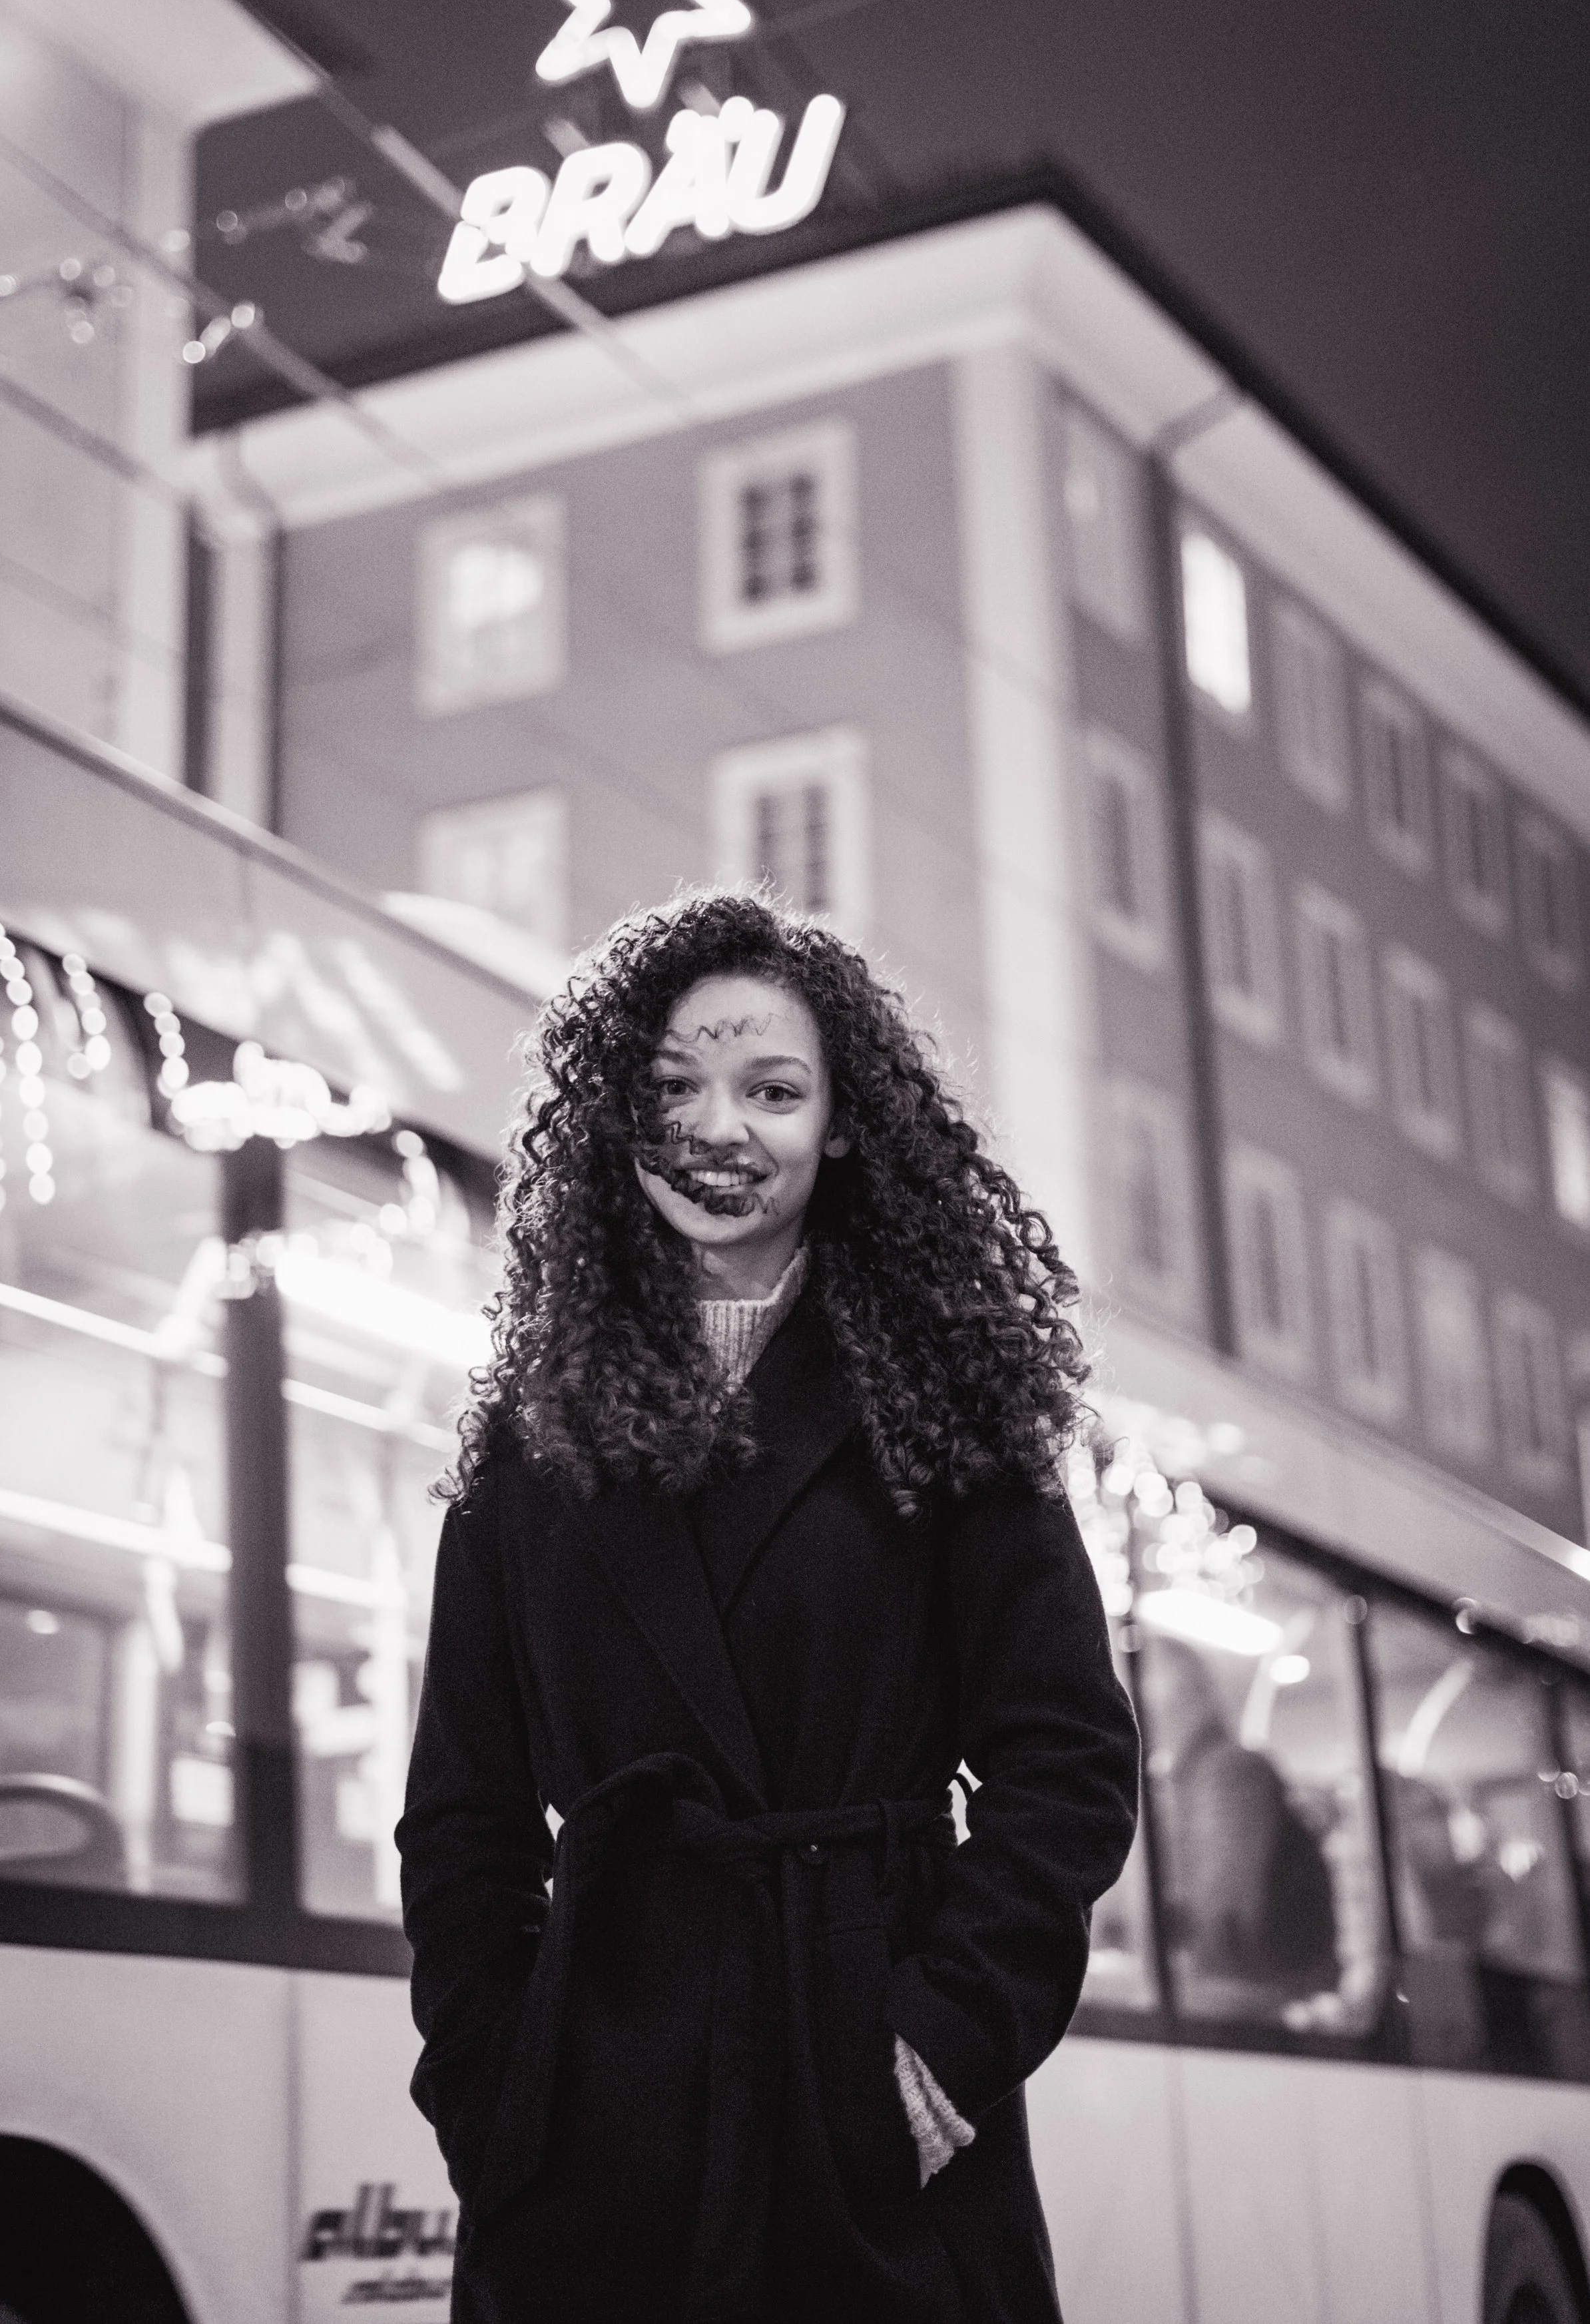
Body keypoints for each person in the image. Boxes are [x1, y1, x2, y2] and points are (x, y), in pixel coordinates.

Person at [397, 892, 1140, 2324]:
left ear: (842, 1125)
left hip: (865, 2090)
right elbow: (461, 1816)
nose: (717, 1127)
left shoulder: (952, 1407)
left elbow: (1066, 1764)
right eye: (670, 1087)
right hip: (591, 2129)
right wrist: (492, 2087)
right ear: (614, 1118)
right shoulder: (523, 1440)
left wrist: (938, 2047)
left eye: (771, 1090)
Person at [1137, 1634, 1339, 2018]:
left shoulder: (1227, 1773)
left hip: (1251, 2001)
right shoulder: (1191, 1778)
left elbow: (1223, 1920)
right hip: (1250, 1994)